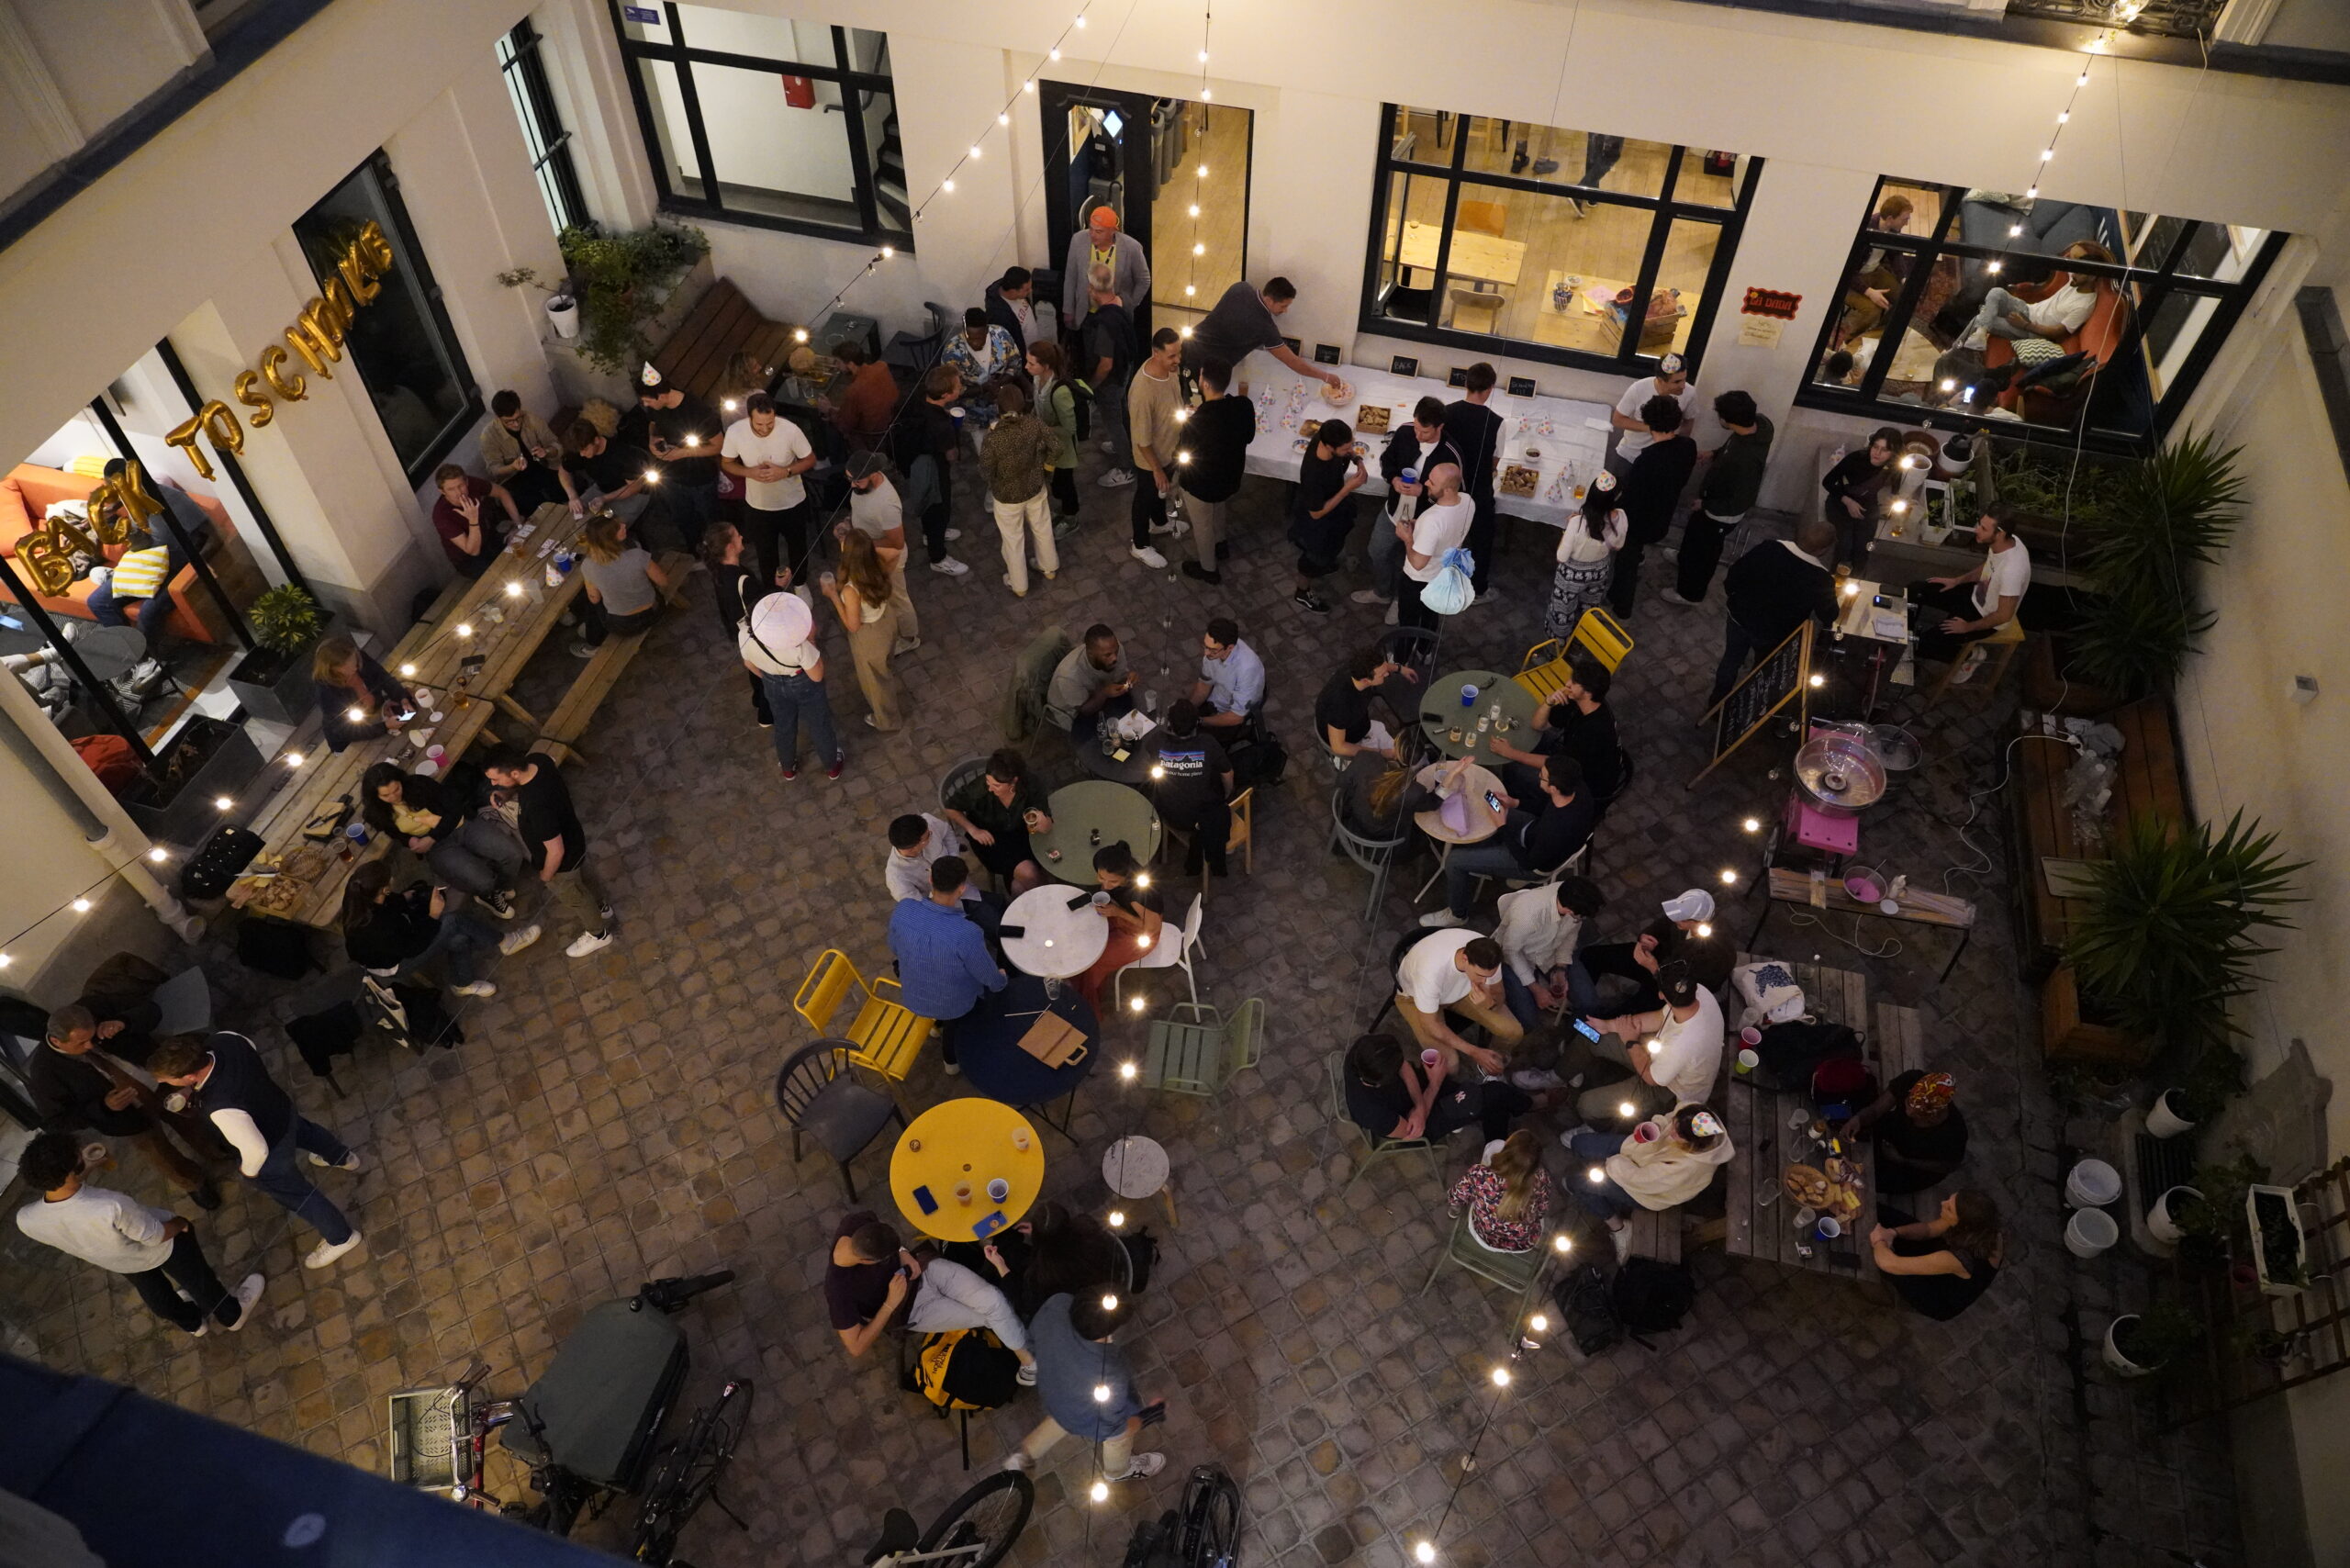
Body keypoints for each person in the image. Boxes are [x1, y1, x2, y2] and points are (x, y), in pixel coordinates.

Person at [14, 1133, 263, 1337]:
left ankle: (193, 1324)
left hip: (121, 1261)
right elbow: (155, 1236)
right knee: (200, 1282)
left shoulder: (26, 1219)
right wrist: (179, 1223)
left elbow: (69, 1204)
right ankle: (232, 1315)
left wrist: (85, 1169)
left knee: (158, 1297)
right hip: (164, 1247)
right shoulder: (112, 1206)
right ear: (70, 1168)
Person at [150, 1034, 364, 1270]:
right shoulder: (224, 1040)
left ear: (189, 1076)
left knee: (298, 1195)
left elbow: (256, 1149)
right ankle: (344, 1158)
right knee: (307, 1132)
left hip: (271, 1146)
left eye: (168, 1079)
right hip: (279, 1107)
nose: (164, 1082)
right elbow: (249, 1048)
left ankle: (341, 1237)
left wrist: (249, 1171)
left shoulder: (219, 1107)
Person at [30, 1006, 220, 1209]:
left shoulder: (97, 1011)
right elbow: (56, 1121)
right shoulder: (44, 1071)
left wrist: (123, 1021)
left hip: (158, 1083)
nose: (90, 1045)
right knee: (159, 1153)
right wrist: (102, 1107)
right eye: (81, 1043)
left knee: (189, 1120)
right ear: (58, 1041)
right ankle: (194, 1183)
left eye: (92, 1037)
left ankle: (215, 1150)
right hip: (125, 1117)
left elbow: (151, 1011)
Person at [826, 1211, 1036, 1376]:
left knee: (995, 1302)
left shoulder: (857, 1223)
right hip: (909, 1310)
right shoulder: (838, 1290)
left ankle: (1029, 1362)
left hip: (925, 1269)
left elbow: (893, 1243)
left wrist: (903, 1253)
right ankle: (1031, 1353)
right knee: (991, 1315)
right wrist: (890, 1303)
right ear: (866, 1261)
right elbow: (856, 1346)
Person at [1005, 1290, 1163, 1482]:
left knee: (1063, 1415)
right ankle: (1117, 1471)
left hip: (1054, 1390)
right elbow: (1115, 1429)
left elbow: (1031, 1341)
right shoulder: (1110, 1373)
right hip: (1079, 1405)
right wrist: (1151, 1413)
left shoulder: (1057, 1302)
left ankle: (1024, 1457)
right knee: (1115, 1439)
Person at [1426, 753, 1597, 927]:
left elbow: (1528, 862)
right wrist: (1515, 803)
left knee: (1454, 861)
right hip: (1534, 832)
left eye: (1542, 777)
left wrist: (1502, 826)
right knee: (1487, 809)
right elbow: (1548, 806)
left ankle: (1457, 914)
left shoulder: (1557, 830)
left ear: (1554, 787)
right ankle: (1485, 847)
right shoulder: (1576, 789)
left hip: (1530, 862)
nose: (1539, 776)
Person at [480, 745, 617, 956]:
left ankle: (598, 934)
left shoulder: (537, 808)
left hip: (562, 861)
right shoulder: (538, 760)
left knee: (575, 897)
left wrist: (546, 874)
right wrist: (506, 792)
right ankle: (602, 908)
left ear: (514, 773)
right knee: (584, 880)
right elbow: (528, 783)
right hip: (575, 838)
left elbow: (556, 851)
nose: (492, 784)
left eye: (496, 779)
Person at [340, 860, 535, 1000]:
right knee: (452, 922)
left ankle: (462, 984)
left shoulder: (360, 896)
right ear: (383, 889)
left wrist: (410, 896)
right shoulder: (377, 927)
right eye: (389, 880)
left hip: (400, 941)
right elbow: (413, 948)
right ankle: (506, 942)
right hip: (396, 963)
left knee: (458, 939)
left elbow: (391, 903)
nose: (392, 879)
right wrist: (433, 914)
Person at [1563, 1103, 1734, 1259]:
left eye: (1678, 1134)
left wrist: (1612, 1162)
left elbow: (1639, 1179)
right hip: (1638, 1150)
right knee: (1578, 1143)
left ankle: (1619, 1227)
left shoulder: (1688, 1168)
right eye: (1674, 1124)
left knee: (1576, 1183)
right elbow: (1668, 1118)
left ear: (1692, 1145)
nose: (1672, 1132)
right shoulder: (1693, 1114)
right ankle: (1593, 1170)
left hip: (1645, 1193)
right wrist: (1655, 1126)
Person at [1563, 963, 1724, 1127]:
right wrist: (1609, 1025)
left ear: (1661, 995)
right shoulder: (1700, 993)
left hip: (1672, 1088)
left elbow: (1651, 1077)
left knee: (1586, 1105)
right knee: (1591, 1036)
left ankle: (1596, 1130)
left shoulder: (1683, 1045)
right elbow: (1659, 1017)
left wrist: (1630, 1041)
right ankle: (1558, 1075)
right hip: (1661, 1058)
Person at [888, 857, 1006, 1071]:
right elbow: (989, 978)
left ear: (930, 878)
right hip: (952, 1004)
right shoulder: (967, 933)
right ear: (962, 888)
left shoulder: (904, 909)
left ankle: (936, 1024)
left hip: (913, 993)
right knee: (965, 1011)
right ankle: (951, 1061)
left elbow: (895, 948)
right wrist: (1002, 979)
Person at [1708, 517, 1839, 709]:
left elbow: (1735, 574)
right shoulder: (1821, 579)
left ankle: (1716, 703)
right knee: (1761, 669)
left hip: (1740, 618)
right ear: (1823, 550)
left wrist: (1735, 598)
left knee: (1731, 659)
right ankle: (1746, 706)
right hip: (1773, 634)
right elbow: (1829, 615)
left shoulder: (1769, 548)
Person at [359, 762, 523, 911]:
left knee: (512, 853)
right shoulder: (377, 812)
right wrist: (409, 840)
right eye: (386, 795)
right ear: (375, 796)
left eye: (396, 789)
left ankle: (501, 888)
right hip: (438, 847)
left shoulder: (419, 784)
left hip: (459, 825)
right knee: (483, 881)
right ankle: (486, 894)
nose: (394, 797)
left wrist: (432, 838)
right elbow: (392, 831)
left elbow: (455, 809)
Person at [1665, 390, 1774, 607]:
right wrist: (1714, 454)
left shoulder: (1745, 461)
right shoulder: (1758, 426)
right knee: (1693, 537)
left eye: (1721, 416)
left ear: (1729, 420)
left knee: (1704, 554)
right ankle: (1683, 559)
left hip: (1719, 515)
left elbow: (1741, 501)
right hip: (1711, 504)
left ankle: (1690, 594)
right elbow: (1732, 446)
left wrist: (1705, 504)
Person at [1358, 398, 1463, 612]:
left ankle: (1400, 601)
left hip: (1425, 521)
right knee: (1376, 551)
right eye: (1415, 428)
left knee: (1413, 567)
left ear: (1440, 427)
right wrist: (1393, 478)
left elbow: (1455, 497)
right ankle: (1383, 592)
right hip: (1394, 509)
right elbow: (1387, 460)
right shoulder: (1405, 432)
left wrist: (1422, 492)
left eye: (1424, 432)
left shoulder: (1451, 453)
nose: (1417, 436)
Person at [1342, 1030, 1533, 1147]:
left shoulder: (1364, 1050)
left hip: (1419, 1103)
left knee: (1491, 1101)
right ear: (1382, 1082)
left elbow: (1404, 1067)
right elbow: (1412, 1133)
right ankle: (1531, 1104)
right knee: (1496, 1093)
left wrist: (1419, 1105)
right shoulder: (1372, 1112)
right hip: (1424, 1125)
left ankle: (1496, 1154)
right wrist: (1434, 1084)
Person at [735, 588, 843, 783]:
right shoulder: (798, 645)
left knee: (783, 725)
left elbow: (749, 664)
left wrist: (771, 678)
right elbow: (817, 675)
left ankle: (788, 768)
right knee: (819, 724)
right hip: (803, 683)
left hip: (771, 682)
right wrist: (811, 639)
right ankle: (832, 766)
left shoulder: (744, 634)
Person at [1579, 888, 1733, 1016]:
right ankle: (1581, 1000)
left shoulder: (1713, 955)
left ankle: (1590, 1024)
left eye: (1681, 918)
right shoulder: (1687, 917)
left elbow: (1682, 992)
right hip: (1660, 959)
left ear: (1698, 922)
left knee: (1614, 1018)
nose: (1675, 920)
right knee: (1591, 956)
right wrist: (1646, 936)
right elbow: (1663, 924)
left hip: (1670, 987)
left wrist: (1653, 968)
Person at [1392, 929, 1523, 1078]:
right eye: (1480, 976)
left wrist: (1490, 1003)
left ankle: (1492, 1059)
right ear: (1465, 959)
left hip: (1460, 992)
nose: (1485, 982)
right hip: (1413, 999)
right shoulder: (1430, 973)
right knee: (1450, 1064)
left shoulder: (1489, 955)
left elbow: (1499, 995)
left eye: (1489, 977)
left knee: (1513, 1031)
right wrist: (1474, 1051)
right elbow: (1430, 1024)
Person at [1609, 397, 1698, 616]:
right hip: (1663, 514)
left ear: (1649, 424)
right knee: (1631, 556)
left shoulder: (1648, 459)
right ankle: (1617, 593)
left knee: (1625, 565)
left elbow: (1631, 498)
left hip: (1638, 521)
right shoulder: (1688, 446)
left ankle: (1621, 607)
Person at [1490, 656, 1622, 804]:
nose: (1567, 684)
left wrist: (1510, 753)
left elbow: (1556, 764)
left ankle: (1514, 803)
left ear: (1588, 693)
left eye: (1574, 683)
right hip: (1568, 756)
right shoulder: (1578, 702)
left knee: (1515, 768)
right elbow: (1538, 725)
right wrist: (1549, 702)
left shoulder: (1594, 732)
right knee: (1525, 738)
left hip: (1582, 785)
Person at [721, 392, 818, 588]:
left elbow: (810, 459)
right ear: (749, 417)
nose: (765, 429)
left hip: (792, 502)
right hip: (758, 505)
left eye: (770, 423)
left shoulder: (790, 431)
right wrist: (749, 472)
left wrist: (786, 471)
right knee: (765, 553)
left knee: (798, 547)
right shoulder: (735, 432)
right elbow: (727, 463)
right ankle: (772, 591)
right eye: (759, 424)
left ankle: (800, 583)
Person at [1913, 504, 2029, 667]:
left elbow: (2004, 615)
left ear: (2000, 533)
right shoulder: (2006, 542)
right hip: (1974, 595)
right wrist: (1957, 581)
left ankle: (1970, 657)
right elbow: (1988, 566)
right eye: (1979, 524)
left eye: (1983, 528)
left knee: (1921, 644)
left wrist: (1968, 627)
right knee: (1918, 589)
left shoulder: (2013, 570)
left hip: (1983, 616)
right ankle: (1906, 632)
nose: (1976, 530)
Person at [1492, 874, 1606, 1033]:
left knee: (1590, 1004)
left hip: (1551, 953)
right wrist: (1536, 988)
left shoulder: (1570, 899)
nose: (1581, 920)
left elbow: (1569, 937)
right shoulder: (1529, 916)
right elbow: (1510, 951)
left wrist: (1561, 968)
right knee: (1527, 1020)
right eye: (1580, 916)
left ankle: (1579, 1036)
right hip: (1517, 958)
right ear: (1569, 910)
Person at [627, 364, 723, 549]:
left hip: (700, 479)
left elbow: (718, 446)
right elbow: (652, 423)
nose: (646, 405)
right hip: (671, 479)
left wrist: (682, 453)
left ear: (662, 396)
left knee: (712, 521)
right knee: (682, 519)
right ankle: (694, 551)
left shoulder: (697, 411)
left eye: (648, 401)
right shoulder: (657, 407)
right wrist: (652, 438)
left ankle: (718, 555)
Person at [1176, 358, 1255, 583]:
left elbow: (1185, 453)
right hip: (1230, 479)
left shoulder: (1198, 421)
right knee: (1219, 507)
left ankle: (1209, 569)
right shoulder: (1243, 406)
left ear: (1205, 384)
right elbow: (1248, 436)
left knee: (1202, 526)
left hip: (1202, 485)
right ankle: (1221, 543)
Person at [1185, 277, 1340, 389]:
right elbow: (1293, 362)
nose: (1285, 311)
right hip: (1208, 369)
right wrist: (1325, 376)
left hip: (1189, 344)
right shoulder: (1265, 327)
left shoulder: (1241, 287)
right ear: (1271, 300)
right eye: (1284, 306)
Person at [819, 529, 904, 733]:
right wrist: (867, 550)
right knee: (885, 666)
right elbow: (895, 553)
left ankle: (887, 721)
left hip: (870, 635)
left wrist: (833, 596)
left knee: (874, 682)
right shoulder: (877, 564)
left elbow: (853, 625)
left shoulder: (851, 589)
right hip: (887, 620)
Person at [1953, 242, 2111, 352]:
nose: (2074, 274)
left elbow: (2058, 332)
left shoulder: (2084, 305)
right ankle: (1981, 334)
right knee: (1996, 292)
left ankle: (1955, 349)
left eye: (2080, 273)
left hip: (2033, 331)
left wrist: (2024, 325)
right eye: (2076, 270)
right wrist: (2090, 264)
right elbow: (2076, 249)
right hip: (2028, 310)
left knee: (1980, 318)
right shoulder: (2077, 280)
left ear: (2092, 278)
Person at [979, 381, 1058, 598]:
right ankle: (1049, 567)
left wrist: (996, 481)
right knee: (1043, 527)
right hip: (1035, 487)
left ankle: (1019, 584)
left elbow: (985, 470)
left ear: (999, 408)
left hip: (1007, 497)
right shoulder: (1035, 424)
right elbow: (1056, 446)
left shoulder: (994, 437)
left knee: (1013, 540)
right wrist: (1046, 470)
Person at [1871, 1192, 2003, 1319]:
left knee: (1884, 1262)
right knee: (1890, 1217)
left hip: (1938, 1296)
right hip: (1946, 1257)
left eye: (1949, 1208)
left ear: (1963, 1225)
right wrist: (1893, 1232)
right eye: (1949, 1200)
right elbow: (1929, 1230)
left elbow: (1889, 1264)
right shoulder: (1983, 1228)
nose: (1942, 1203)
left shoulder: (1957, 1260)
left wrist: (1879, 1241)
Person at [893, 364, 971, 577]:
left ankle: (930, 534)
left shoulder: (919, 399)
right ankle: (938, 557)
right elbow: (951, 455)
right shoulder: (942, 427)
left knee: (929, 506)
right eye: (958, 386)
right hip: (934, 471)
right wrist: (955, 429)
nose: (961, 387)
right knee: (938, 508)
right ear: (946, 395)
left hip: (915, 463)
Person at [840, 453, 921, 652]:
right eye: (849, 479)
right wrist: (848, 524)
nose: (852, 485)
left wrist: (858, 544)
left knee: (898, 597)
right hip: (870, 552)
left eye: (856, 480)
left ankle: (910, 638)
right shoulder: (861, 489)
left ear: (873, 474)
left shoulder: (887, 505)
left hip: (887, 556)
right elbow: (860, 511)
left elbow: (897, 542)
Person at [943, 748, 1052, 895]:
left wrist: (1044, 823)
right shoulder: (979, 790)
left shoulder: (1031, 785)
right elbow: (950, 807)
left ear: (1014, 781)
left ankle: (1031, 902)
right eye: (988, 782)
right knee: (1030, 873)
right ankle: (1050, 901)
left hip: (1021, 833)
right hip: (990, 838)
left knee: (1018, 887)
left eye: (997, 785)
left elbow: (1046, 822)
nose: (990, 788)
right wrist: (973, 830)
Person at [1844, 1070, 1969, 1195]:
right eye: (1909, 1102)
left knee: (1867, 1183)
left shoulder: (1953, 1134)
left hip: (1913, 1167)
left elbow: (1947, 1166)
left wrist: (1903, 1160)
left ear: (1934, 1116)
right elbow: (1876, 1110)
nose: (1909, 1112)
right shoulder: (1911, 1080)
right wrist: (1859, 1119)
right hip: (1893, 1134)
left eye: (1918, 1114)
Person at [703, 521, 776, 728]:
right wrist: (778, 588)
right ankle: (766, 714)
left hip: (739, 632)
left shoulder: (720, 571)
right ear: (730, 547)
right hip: (755, 634)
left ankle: (756, 698)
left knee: (753, 666)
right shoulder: (741, 578)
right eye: (736, 535)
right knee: (765, 674)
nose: (741, 536)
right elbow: (760, 606)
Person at [1072, 843, 1163, 1008]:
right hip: (1120, 919)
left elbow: (1153, 929)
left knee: (1094, 961)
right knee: (1085, 938)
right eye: (1101, 878)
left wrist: (1118, 912)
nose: (1106, 885)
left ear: (1125, 877)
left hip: (1141, 936)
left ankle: (1088, 1002)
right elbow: (1107, 887)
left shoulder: (1138, 893)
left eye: (1113, 881)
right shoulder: (1117, 871)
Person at [1149, 700, 1232, 879]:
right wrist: (1227, 795)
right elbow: (1227, 774)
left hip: (1169, 814)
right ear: (1197, 724)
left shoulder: (1157, 742)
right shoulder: (1208, 743)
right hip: (1204, 819)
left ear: (1170, 724)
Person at [1441, 365, 1505, 597]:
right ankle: (1478, 588)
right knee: (1482, 537)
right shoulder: (1497, 422)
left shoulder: (1446, 413)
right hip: (1478, 488)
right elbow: (1494, 462)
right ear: (1490, 389)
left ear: (1465, 384)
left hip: (1448, 485)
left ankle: (1437, 576)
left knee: (1444, 531)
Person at [1289, 419, 1363, 616]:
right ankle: (1302, 591)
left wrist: (1358, 460)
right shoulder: (1314, 473)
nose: (1350, 449)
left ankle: (1326, 563)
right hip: (1317, 523)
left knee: (1329, 550)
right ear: (1329, 446)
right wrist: (1348, 488)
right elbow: (1316, 512)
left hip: (1335, 514)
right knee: (1313, 557)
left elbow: (1348, 452)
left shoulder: (1326, 440)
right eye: (1346, 448)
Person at [1124, 327, 1183, 569]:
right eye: (1172, 356)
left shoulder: (1170, 371)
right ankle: (1139, 544)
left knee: (1161, 492)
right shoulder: (1143, 390)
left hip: (1168, 449)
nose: (1178, 360)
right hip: (1151, 458)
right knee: (1145, 498)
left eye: (1179, 353)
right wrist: (1156, 469)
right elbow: (1142, 439)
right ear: (1155, 353)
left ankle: (1159, 522)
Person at [573, 510, 671, 656]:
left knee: (592, 605)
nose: (624, 526)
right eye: (619, 527)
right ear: (610, 538)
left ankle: (592, 642)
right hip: (655, 612)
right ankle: (591, 632)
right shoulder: (638, 555)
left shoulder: (588, 566)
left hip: (622, 625)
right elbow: (663, 582)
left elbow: (595, 599)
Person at [1542, 471, 1627, 639]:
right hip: (1600, 571)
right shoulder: (1621, 517)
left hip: (1572, 576)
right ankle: (1581, 641)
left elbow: (1561, 557)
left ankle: (1557, 646)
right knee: (1589, 608)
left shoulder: (1577, 523)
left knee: (1563, 612)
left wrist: (1566, 532)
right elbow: (1618, 546)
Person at [1082, 264, 1142, 491]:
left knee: (1112, 420)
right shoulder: (1122, 303)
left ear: (1091, 289)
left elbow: (1105, 364)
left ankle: (1126, 467)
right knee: (1122, 410)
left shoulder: (1104, 322)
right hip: (1125, 371)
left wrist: (1091, 386)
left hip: (1111, 379)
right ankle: (1126, 445)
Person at [1396, 462, 1473, 632]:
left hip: (1418, 578)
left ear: (1447, 490)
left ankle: (1402, 657)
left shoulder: (1433, 519)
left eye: (1432, 482)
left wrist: (1407, 538)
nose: (1425, 483)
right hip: (1442, 574)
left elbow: (1418, 563)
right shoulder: (1468, 501)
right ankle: (1426, 650)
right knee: (1431, 616)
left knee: (1408, 621)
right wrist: (1420, 526)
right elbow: (1448, 529)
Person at [1448, 1129, 1552, 1253]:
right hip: (1524, 1244)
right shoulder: (1542, 1177)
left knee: (1495, 1145)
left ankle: (1455, 1210)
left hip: (1485, 1238)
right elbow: (1541, 1210)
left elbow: (1456, 1194)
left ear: (1507, 1151)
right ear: (1535, 1164)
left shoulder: (1480, 1174)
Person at [1833, 194, 1914, 346]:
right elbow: (1847, 272)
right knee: (1872, 311)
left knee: (1906, 297)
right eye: (1904, 219)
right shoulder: (1864, 231)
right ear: (1890, 219)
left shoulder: (1893, 230)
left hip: (1874, 272)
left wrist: (1904, 278)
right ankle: (1848, 343)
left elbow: (1895, 255)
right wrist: (1869, 292)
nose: (1906, 223)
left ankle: (1880, 335)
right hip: (1848, 281)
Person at [312, 634, 412, 753]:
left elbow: (383, 678)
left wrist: (402, 698)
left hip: (377, 719)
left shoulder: (360, 659)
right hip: (352, 742)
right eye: (345, 664)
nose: (354, 666)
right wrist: (384, 727)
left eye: (353, 658)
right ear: (332, 668)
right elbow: (345, 730)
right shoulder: (326, 692)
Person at [479, 390, 573, 512]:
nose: (516, 424)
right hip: (516, 478)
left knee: (568, 488)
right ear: (498, 418)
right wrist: (512, 466)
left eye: (518, 418)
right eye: (509, 421)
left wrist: (547, 451)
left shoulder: (530, 418)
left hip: (541, 465)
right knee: (532, 506)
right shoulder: (489, 435)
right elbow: (494, 469)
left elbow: (556, 445)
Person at [1608, 354, 1701, 474]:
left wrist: (1678, 448)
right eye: (1677, 381)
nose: (1683, 386)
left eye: (1684, 379)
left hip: (1662, 460)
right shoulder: (1638, 389)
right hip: (1630, 455)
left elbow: (1689, 421)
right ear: (1661, 380)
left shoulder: (1690, 393)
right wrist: (1654, 429)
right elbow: (1618, 420)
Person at [1821, 426, 1898, 569]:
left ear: (1893, 454)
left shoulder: (1894, 468)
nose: (1878, 453)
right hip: (1841, 501)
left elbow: (1895, 489)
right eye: (1876, 447)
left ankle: (1855, 581)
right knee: (1845, 545)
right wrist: (1848, 501)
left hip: (1867, 504)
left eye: (1885, 450)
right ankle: (1835, 576)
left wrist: (1893, 501)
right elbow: (1827, 482)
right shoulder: (1856, 459)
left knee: (1863, 548)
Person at [1059, 204, 1150, 325]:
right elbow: (1071, 276)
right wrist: (1068, 309)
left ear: (1113, 231)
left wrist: (1128, 304)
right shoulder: (1078, 240)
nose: (1092, 234)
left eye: (1099, 231)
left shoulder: (1132, 248)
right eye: (1091, 228)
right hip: (1085, 314)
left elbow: (1144, 280)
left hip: (1116, 316)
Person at [429, 464, 522, 579]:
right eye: (451, 489)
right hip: (467, 559)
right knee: (502, 577)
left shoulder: (472, 484)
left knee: (521, 548)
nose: (459, 492)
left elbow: (502, 493)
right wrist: (473, 520)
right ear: (442, 491)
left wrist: (518, 525)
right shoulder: (441, 515)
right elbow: (473, 551)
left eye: (461, 486)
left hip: (488, 539)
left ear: (466, 482)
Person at [561, 419, 658, 529]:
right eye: (580, 451)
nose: (582, 454)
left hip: (632, 493)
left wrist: (604, 499)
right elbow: (563, 470)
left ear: (596, 440)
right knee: (572, 521)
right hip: (602, 488)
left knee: (607, 531)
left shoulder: (623, 453)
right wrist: (572, 496)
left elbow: (634, 487)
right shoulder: (580, 449)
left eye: (585, 450)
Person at [1025, 341, 1082, 525]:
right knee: (1057, 484)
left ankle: (1071, 517)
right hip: (1049, 446)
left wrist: (1041, 429)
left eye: (1032, 364)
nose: (1026, 367)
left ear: (1046, 366)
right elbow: (1039, 406)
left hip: (1063, 450)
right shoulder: (1037, 379)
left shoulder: (1059, 392)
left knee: (1065, 485)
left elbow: (1069, 429)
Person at [1046, 623, 1136, 739]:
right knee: (1101, 737)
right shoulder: (1069, 676)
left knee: (1128, 716)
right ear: (1091, 654)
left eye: (1116, 651)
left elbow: (1120, 679)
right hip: (1072, 712)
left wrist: (1128, 678)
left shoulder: (1114, 649)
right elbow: (1085, 711)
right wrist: (1104, 693)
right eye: (1107, 655)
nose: (1114, 658)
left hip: (1100, 695)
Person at [1315, 646, 1404, 761]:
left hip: (1362, 727)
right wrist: (1381, 753)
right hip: (1351, 744)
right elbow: (1339, 747)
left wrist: (1400, 669)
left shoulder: (1357, 669)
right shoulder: (1341, 703)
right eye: (1382, 674)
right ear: (1366, 680)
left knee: (1401, 755)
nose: (1387, 674)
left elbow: (1382, 666)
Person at [943, 307, 1023, 431]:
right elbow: (949, 389)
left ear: (986, 330)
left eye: (979, 338)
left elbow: (1015, 365)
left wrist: (999, 384)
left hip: (1002, 407)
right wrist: (981, 388)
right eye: (970, 338)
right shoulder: (952, 353)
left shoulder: (1001, 336)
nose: (974, 343)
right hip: (973, 413)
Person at [884, 812, 983, 908]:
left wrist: (953, 859)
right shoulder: (897, 879)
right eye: (928, 836)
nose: (931, 833)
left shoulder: (928, 822)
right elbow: (921, 908)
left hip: (969, 890)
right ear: (914, 847)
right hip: (951, 910)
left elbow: (947, 832)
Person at [824, 340, 900, 454]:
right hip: (893, 420)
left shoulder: (854, 390)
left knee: (829, 428)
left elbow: (845, 426)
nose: (836, 366)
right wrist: (838, 411)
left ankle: (833, 462)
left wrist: (828, 410)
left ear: (850, 364)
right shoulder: (882, 366)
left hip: (873, 437)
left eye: (838, 362)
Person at [1189, 617, 1263, 731]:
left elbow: (1237, 716)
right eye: (1205, 646)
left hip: (1231, 716)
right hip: (1215, 701)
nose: (1206, 653)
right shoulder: (1212, 654)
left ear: (1230, 648)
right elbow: (1204, 684)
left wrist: (1200, 721)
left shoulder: (1247, 669)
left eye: (1213, 650)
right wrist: (1188, 709)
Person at [1337, 750, 1415, 839]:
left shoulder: (1365, 757)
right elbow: (1430, 805)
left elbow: (1341, 781)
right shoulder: (1414, 791)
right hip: (1377, 834)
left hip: (1349, 814)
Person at [985, 265, 1037, 353]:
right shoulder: (999, 316)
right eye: (1027, 290)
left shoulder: (1018, 293)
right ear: (1013, 291)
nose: (1030, 291)